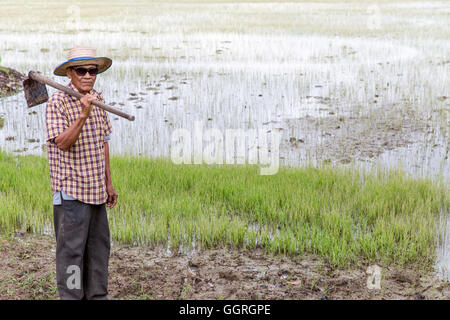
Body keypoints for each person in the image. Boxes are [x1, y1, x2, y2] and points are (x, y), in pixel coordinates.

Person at [45, 45, 118, 300]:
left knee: (99, 251)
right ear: (69, 73)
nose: (87, 75)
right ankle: (72, 297)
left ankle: (97, 297)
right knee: (72, 256)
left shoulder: (99, 98)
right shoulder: (58, 102)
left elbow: (104, 142)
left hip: (97, 192)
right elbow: (63, 143)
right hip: (71, 194)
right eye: (81, 70)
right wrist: (83, 114)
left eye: (92, 70)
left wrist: (109, 184)